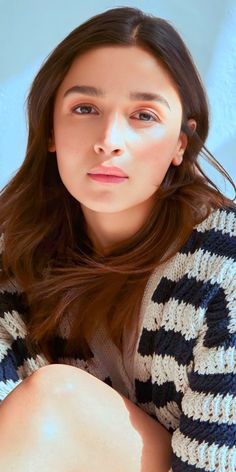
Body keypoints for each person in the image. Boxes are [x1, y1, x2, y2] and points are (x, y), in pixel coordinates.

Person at [0, 5, 235, 471]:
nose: (109, 139)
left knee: (52, 399)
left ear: (180, 143)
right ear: (50, 128)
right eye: (85, 108)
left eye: (144, 115)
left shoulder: (223, 267)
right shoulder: (16, 258)